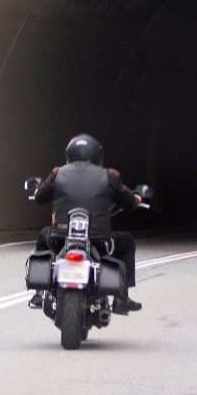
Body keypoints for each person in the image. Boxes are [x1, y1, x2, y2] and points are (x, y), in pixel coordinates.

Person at [29, 133, 143, 313]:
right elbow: (128, 202)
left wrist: (36, 190)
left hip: (60, 238)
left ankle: (38, 293)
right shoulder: (109, 175)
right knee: (127, 242)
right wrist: (136, 198)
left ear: (69, 153)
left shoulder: (58, 173)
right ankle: (122, 298)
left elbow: (40, 197)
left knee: (43, 237)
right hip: (101, 241)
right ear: (98, 154)